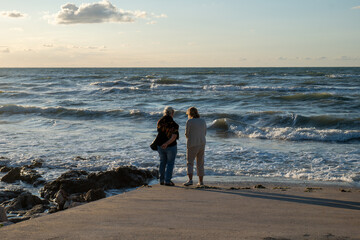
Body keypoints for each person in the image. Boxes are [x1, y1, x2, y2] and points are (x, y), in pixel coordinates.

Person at [156, 106, 179, 186]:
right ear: (172, 113)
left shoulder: (159, 122)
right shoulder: (174, 124)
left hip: (159, 145)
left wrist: (163, 143)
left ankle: (161, 180)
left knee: (162, 162)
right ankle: (167, 181)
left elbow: (160, 133)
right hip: (171, 146)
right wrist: (167, 143)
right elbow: (174, 137)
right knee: (170, 163)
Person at [184, 107, 207, 186]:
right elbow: (205, 132)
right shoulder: (203, 121)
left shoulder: (189, 121)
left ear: (190, 114)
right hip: (202, 143)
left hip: (192, 144)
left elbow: (187, 134)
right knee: (200, 163)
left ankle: (190, 180)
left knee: (190, 162)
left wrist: (189, 138)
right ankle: (201, 181)